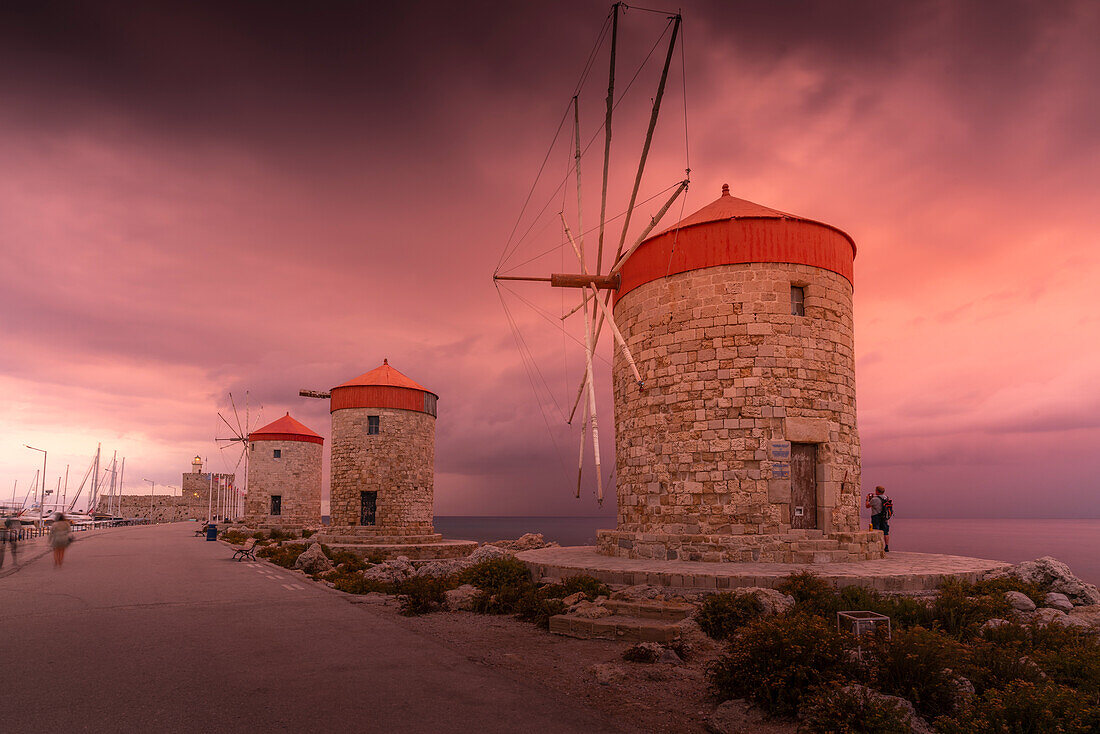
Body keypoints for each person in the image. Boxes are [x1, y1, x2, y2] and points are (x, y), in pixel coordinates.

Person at [867, 485, 891, 552]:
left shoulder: (874, 499)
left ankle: (877, 546)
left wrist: (867, 499)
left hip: (876, 517)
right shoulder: (886, 498)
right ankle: (886, 546)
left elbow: (867, 506)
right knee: (885, 532)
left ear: (877, 491)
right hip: (884, 517)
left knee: (876, 530)